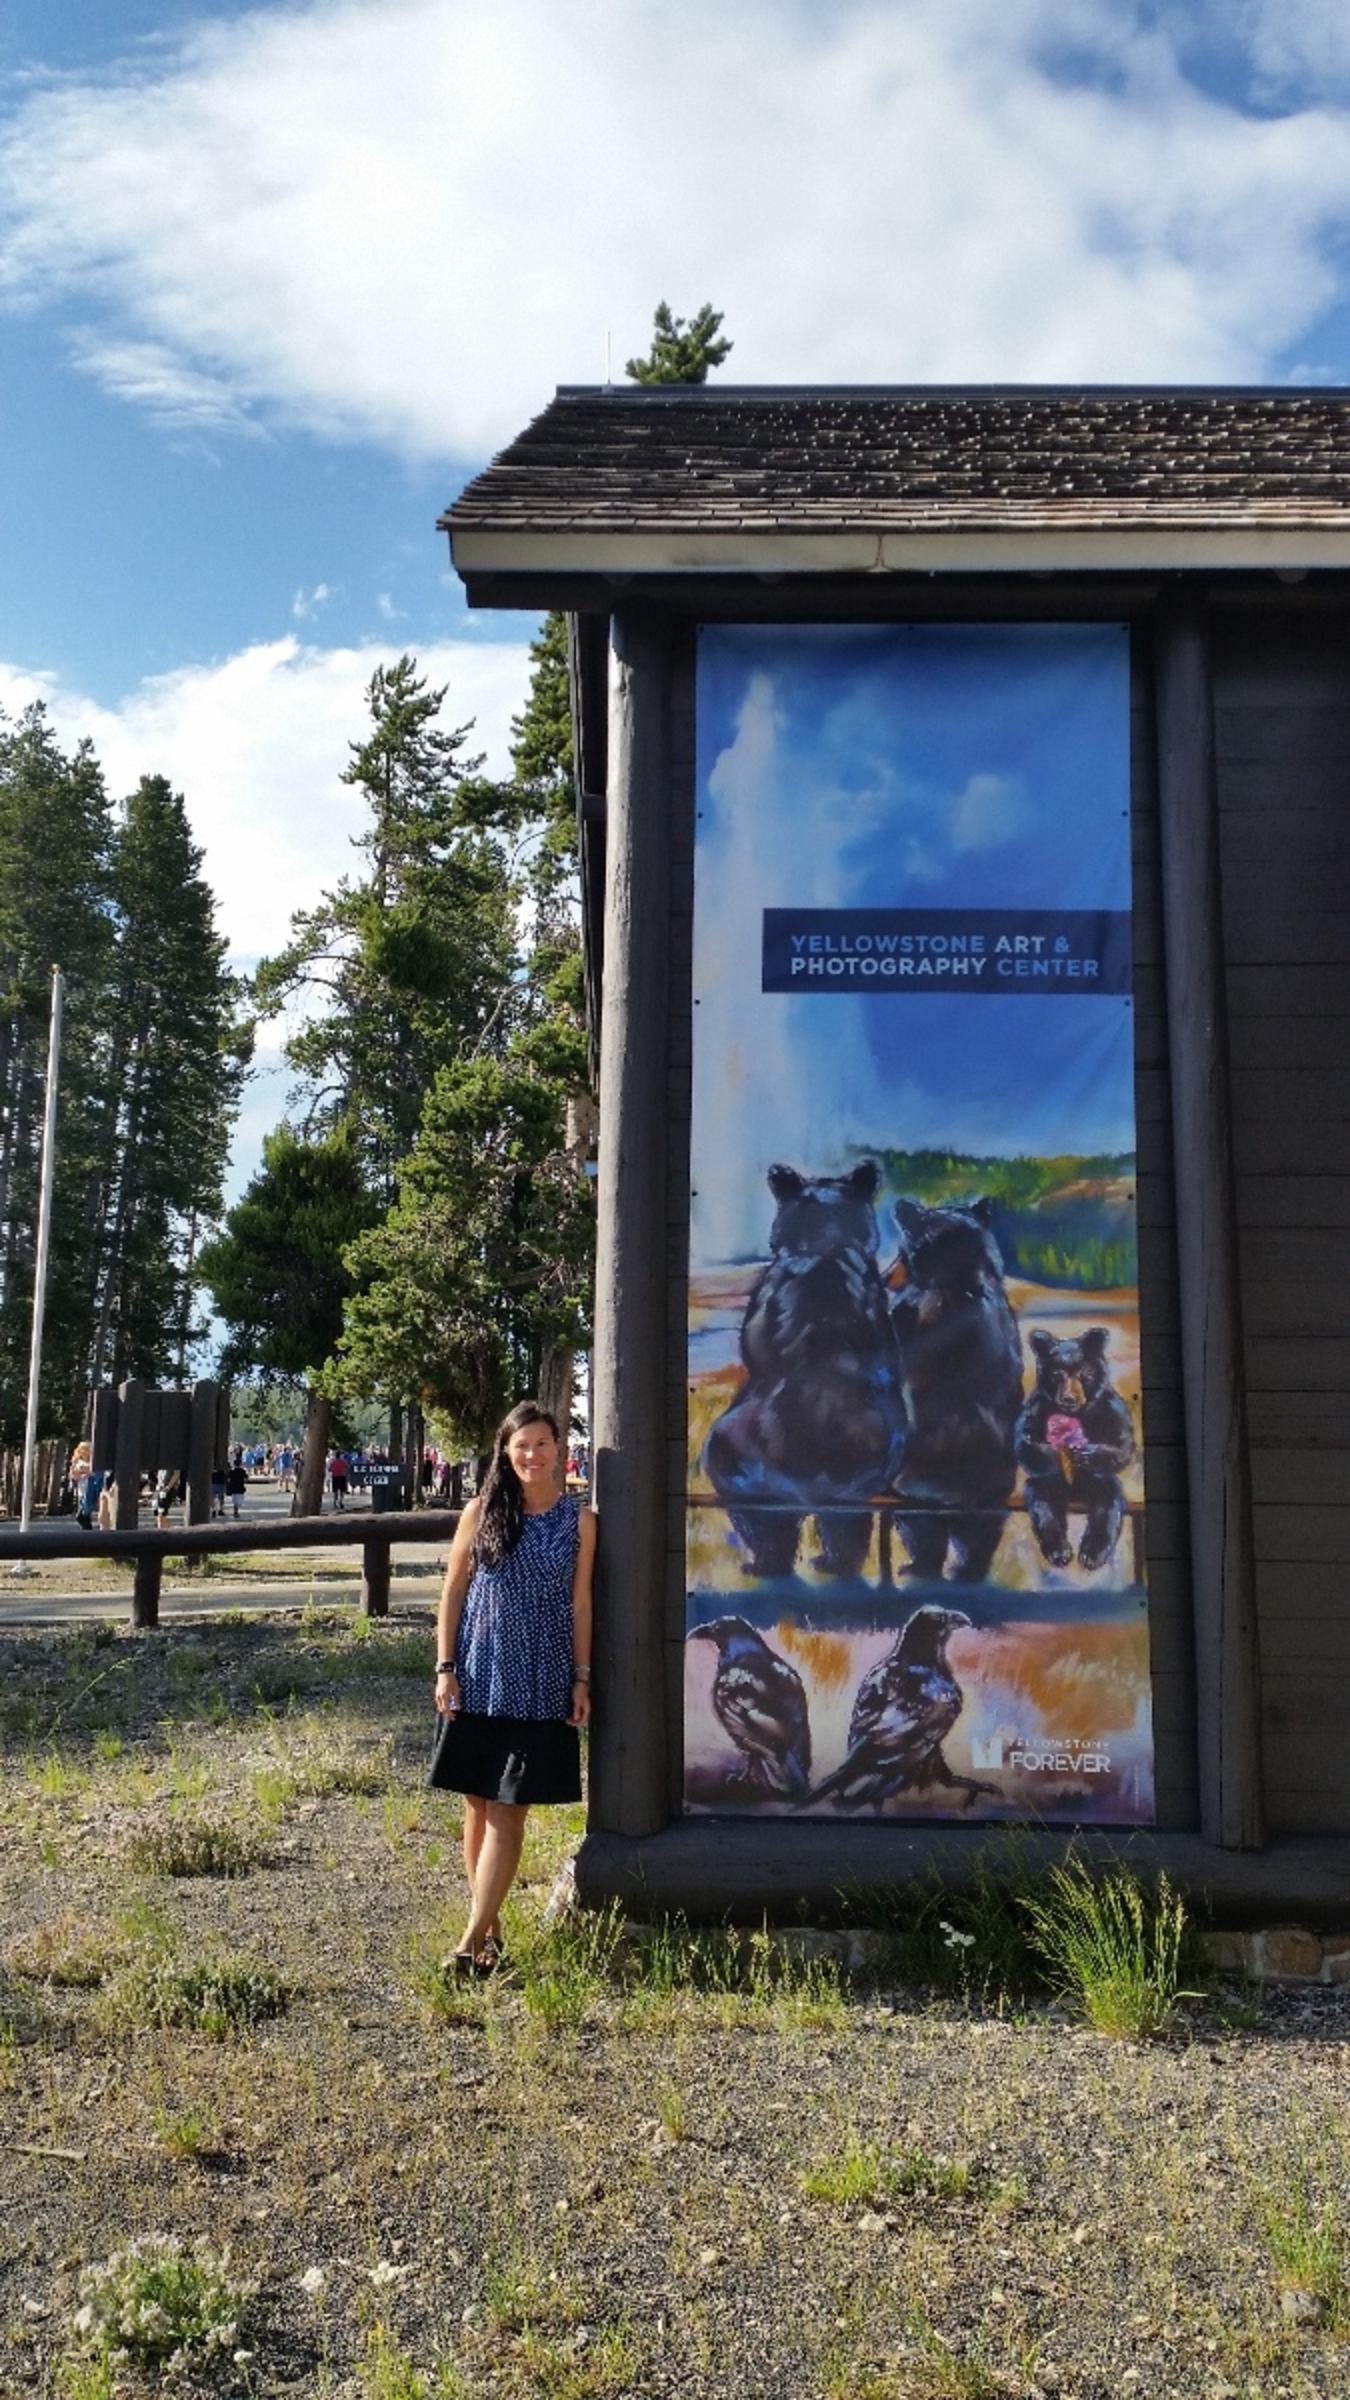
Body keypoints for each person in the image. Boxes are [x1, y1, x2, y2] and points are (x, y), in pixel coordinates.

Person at [428, 1400, 594, 1974]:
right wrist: (445, 1668)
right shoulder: (480, 1512)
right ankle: (491, 1937)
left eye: (542, 1443)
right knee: (476, 1803)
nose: (532, 1454)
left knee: (509, 1809)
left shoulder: (581, 1521)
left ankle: (469, 1939)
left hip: (543, 1679)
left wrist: (581, 1675)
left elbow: (581, 1603)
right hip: (478, 1672)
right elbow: (452, 1592)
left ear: (559, 1450)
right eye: (521, 1445)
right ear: (506, 1451)